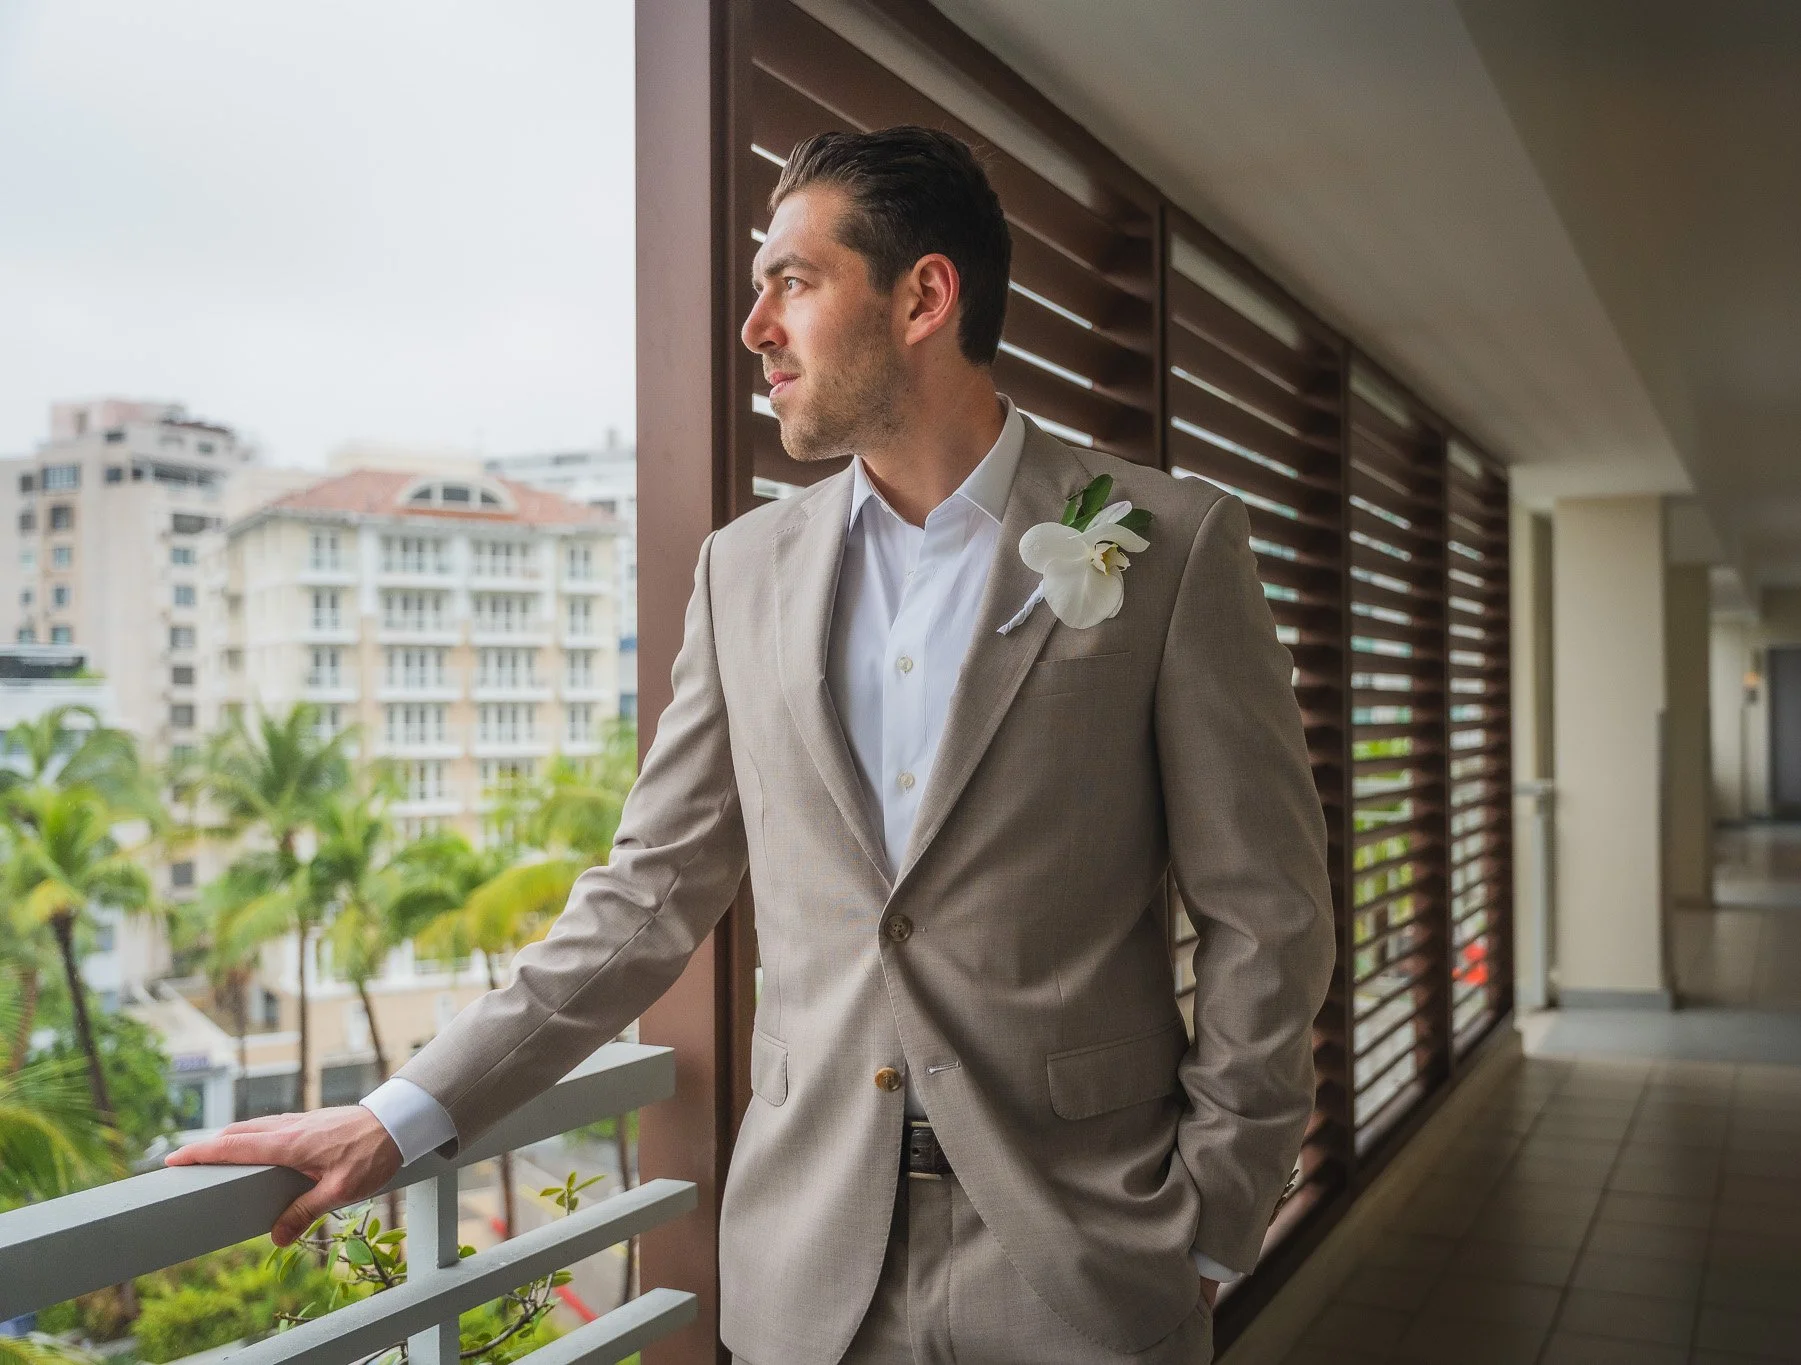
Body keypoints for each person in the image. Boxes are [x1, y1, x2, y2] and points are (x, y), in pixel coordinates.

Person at [169, 125, 1334, 1365]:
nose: (753, 329)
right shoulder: (743, 572)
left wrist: (1215, 1217)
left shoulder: (1171, 544)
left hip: (1085, 1256)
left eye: (792, 281)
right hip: (811, 1266)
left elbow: (1265, 912)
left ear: (924, 295)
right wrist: (397, 1118)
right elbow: (648, 893)